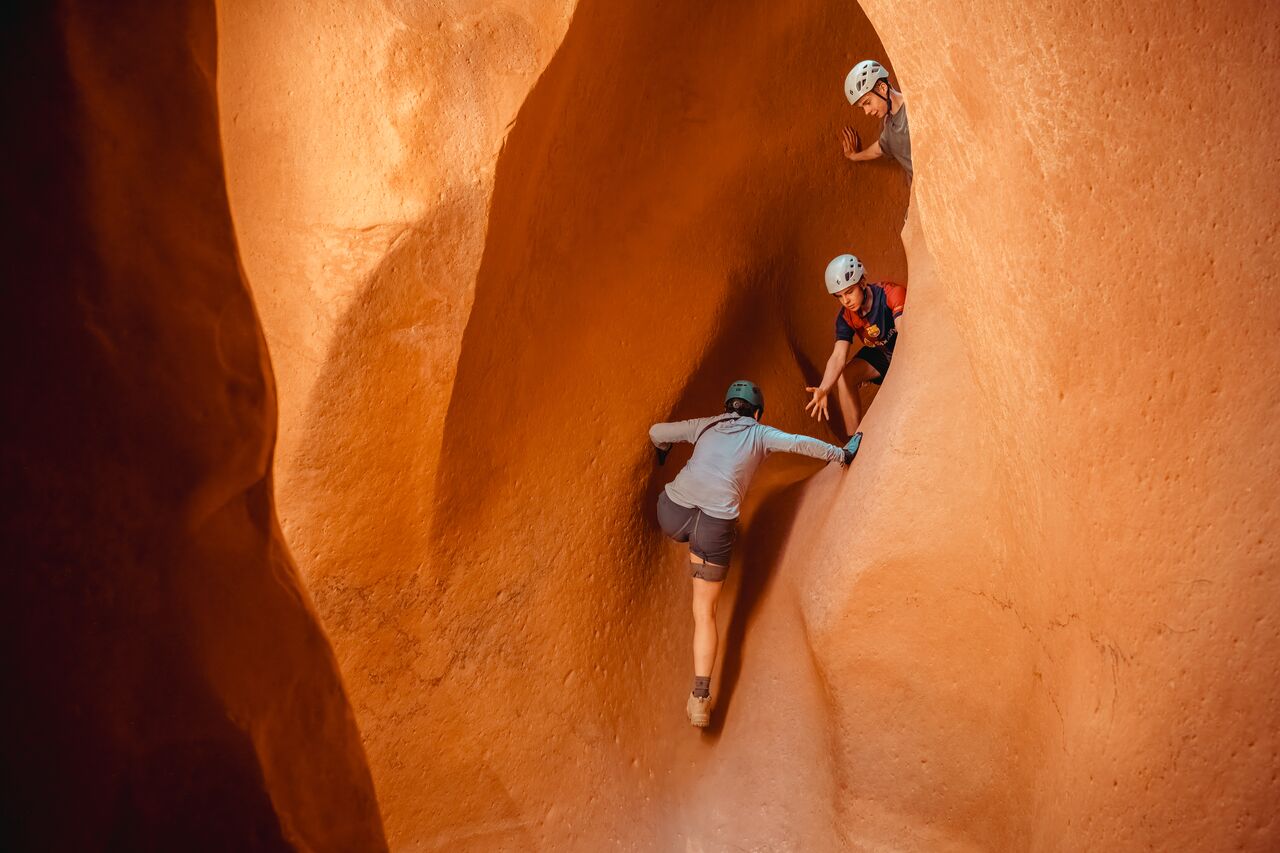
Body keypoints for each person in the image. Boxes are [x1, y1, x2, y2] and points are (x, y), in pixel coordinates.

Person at [650, 380, 857, 728]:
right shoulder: (760, 434)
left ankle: (688, 536)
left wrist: (663, 449)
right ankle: (700, 698)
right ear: (756, 413)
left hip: (673, 516)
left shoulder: (706, 424)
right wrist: (842, 454)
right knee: (705, 612)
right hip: (713, 529)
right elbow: (800, 444)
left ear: (727, 406)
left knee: (675, 502)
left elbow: (657, 431)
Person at [805, 254, 906, 436]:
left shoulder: (890, 293)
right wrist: (824, 388)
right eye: (840, 296)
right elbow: (838, 356)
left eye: (849, 291)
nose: (846, 301)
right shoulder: (845, 317)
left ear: (863, 282)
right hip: (882, 353)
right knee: (845, 376)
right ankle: (853, 442)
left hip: (905, 352)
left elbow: (906, 331)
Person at [839, 59, 912, 180]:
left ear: (883, 88)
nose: (867, 111)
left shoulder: (915, 111)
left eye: (867, 103)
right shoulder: (889, 126)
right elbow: (879, 148)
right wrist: (853, 156)